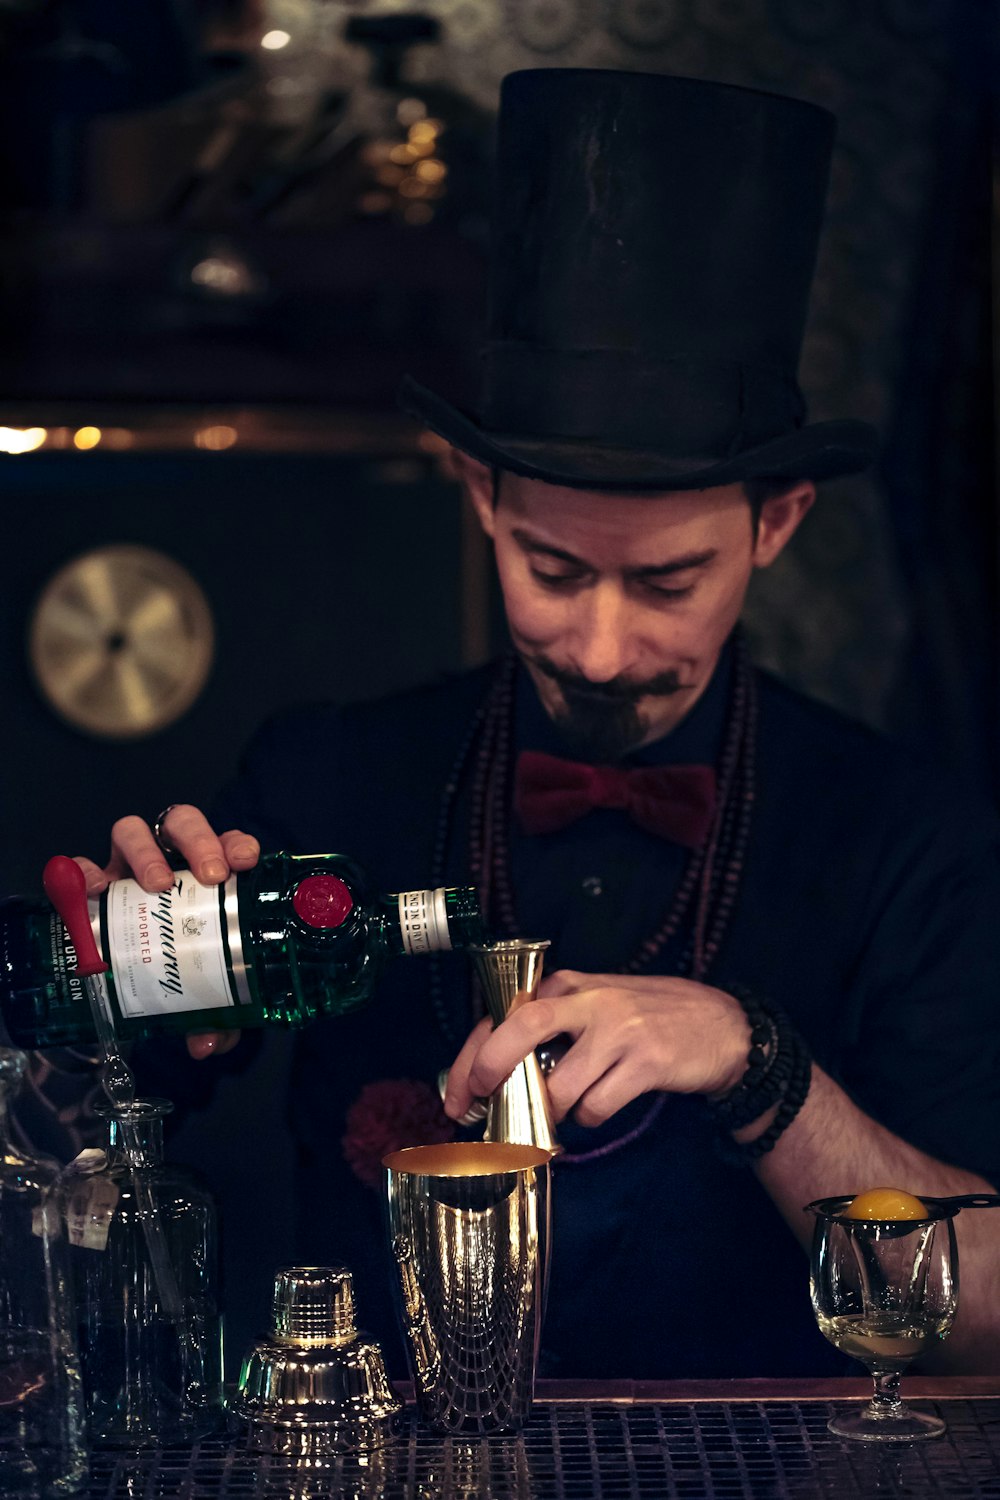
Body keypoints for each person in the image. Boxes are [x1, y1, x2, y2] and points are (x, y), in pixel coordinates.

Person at [77, 69, 1000, 1379]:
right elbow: (84, 1145)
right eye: (554, 572)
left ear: (777, 524)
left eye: (669, 582)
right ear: (481, 497)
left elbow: (988, 1316)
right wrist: (149, 998)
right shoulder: (328, 774)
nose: (605, 648)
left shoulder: (911, 838)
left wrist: (761, 1069)